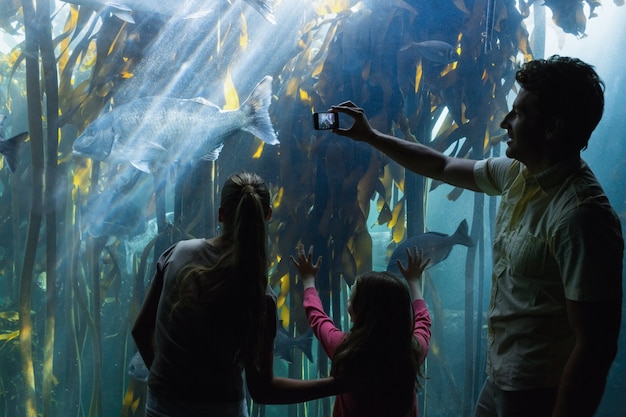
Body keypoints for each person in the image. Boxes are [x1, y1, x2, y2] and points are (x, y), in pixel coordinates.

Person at [329, 55, 624, 417]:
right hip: (498, 376)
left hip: (539, 391)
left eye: (519, 113)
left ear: (553, 126)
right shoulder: (516, 173)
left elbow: (595, 347)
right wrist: (370, 136)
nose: (505, 121)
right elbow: (441, 165)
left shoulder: (582, 216)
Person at [132, 172, 340, 417]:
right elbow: (263, 389)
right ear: (268, 215)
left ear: (221, 215)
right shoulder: (260, 293)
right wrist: (337, 384)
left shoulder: (176, 255)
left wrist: (165, 381)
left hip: (162, 408)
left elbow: (140, 330)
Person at [291, 244, 432, 417]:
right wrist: (414, 281)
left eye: (350, 300)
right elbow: (423, 321)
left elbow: (318, 318)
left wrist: (308, 280)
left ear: (357, 313)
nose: (348, 304)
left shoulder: (347, 350)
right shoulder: (411, 352)